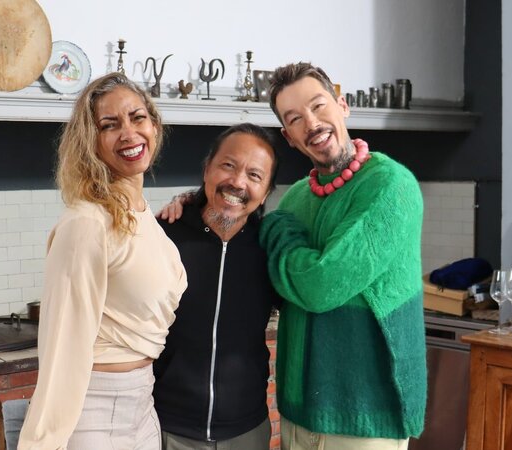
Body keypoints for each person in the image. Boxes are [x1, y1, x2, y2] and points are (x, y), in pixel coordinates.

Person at [259, 62, 427, 449]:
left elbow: (321, 286)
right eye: (296, 118)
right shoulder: (299, 195)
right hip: (299, 409)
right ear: (288, 136)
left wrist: (274, 229)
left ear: (343, 106)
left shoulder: (392, 186)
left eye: (319, 107)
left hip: (364, 415)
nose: (312, 123)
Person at [18, 73, 188, 450]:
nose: (128, 133)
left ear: (155, 125)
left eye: (137, 117)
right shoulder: (87, 223)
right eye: (109, 125)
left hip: (144, 408)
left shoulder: (143, 214)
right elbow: (61, 349)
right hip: (94, 413)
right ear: (90, 142)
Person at [153, 123, 281, 450]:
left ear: (265, 192)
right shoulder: (161, 236)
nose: (237, 182)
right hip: (167, 428)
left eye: (255, 175)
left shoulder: (271, 249)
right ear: (207, 168)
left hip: (247, 431)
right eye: (228, 165)